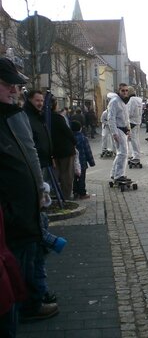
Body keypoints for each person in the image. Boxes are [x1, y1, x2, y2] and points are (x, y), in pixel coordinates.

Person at [0, 58, 58, 336]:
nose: (14, 90)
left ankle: (32, 299)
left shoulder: (13, 114)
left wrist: (40, 190)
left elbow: (30, 154)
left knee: (33, 255)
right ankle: (26, 305)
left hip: (27, 207)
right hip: (12, 214)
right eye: (7, 84)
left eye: (16, 85)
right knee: (18, 262)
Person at [50, 97, 76, 200]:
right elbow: (68, 132)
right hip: (65, 150)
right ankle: (66, 196)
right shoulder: (58, 118)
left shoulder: (43, 117)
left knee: (57, 173)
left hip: (53, 150)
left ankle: (57, 194)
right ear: (55, 105)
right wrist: (75, 141)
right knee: (67, 174)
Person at [23, 90, 54, 174]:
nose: (40, 103)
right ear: (29, 100)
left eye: (42, 101)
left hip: (44, 162)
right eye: (37, 100)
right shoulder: (26, 117)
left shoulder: (39, 116)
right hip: (35, 164)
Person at [107, 83, 131, 182]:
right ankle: (119, 175)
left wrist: (128, 129)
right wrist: (114, 133)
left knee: (120, 153)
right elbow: (111, 118)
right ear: (119, 90)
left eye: (126, 90)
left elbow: (126, 117)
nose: (125, 92)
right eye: (123, 90)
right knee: (123, 153)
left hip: (123, 129)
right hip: (118, 129)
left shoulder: (123, 102)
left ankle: (114, 173)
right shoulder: (115, 101)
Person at [71, 120, 96, 199]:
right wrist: (91, 162)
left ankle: (75, 191)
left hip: (73, 162)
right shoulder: (83, 138)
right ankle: (82, 193)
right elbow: (87, 151)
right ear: (80, 128)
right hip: (82, 161)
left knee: (75, 178)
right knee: (81, 178)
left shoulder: (70, 138)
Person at [126, 86, 143, 162]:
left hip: (132, 122)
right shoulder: (139, 100)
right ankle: (136, 154)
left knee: (133, 140)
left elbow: (129, 112)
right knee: (136, 139)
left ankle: (135, 156)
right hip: (138, 121)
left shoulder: (131, 101)